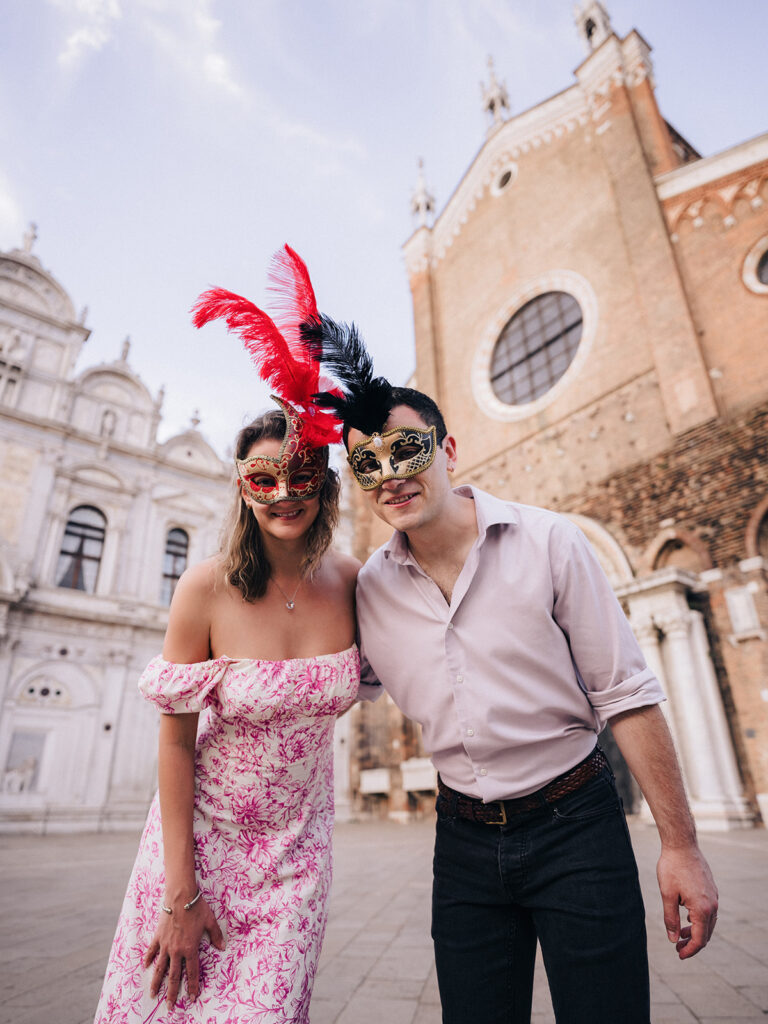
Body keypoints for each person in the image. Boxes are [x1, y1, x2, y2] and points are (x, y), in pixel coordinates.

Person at [299, 317, 719, 1024]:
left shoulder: (551, 541)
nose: (391, 475)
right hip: (462, 842)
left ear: (448, 449)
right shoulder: (366, 590)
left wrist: (681, 846)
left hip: (577, 823)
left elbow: (629, 697)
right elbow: (328, 689)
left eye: (407, 449)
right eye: (368, 463)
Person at [95, 248, 369, 1022]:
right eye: (262, 478)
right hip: (195, 853)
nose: (284, 493)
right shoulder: (205, 587)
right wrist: (179, 892)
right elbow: (175, 742)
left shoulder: (351, 582)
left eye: (302, 477)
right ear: (242, 488)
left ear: (324, 484)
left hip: (294, 861)